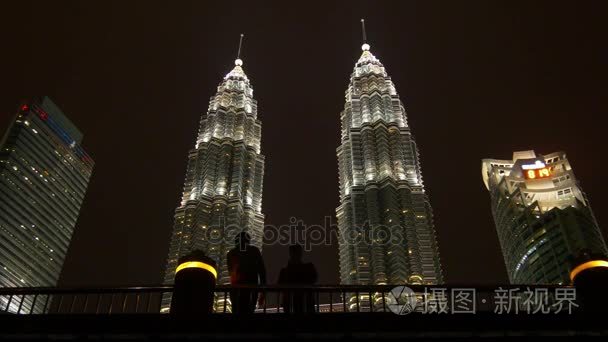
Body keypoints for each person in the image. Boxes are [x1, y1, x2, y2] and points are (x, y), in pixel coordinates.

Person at [227, 232, 266, 314]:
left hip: (238, 289)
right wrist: (263, 291)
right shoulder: (254, 251)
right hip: (249, 288)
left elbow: (230, 272)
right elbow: (262, 271)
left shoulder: (232, 253)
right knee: (248, 311)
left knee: (237, 311)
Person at [277, 244, 318, 313]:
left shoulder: (285, 271)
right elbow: (314, 279)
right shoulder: (309, 268)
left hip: (290, 303)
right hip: (305, 302)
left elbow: (280, 285)